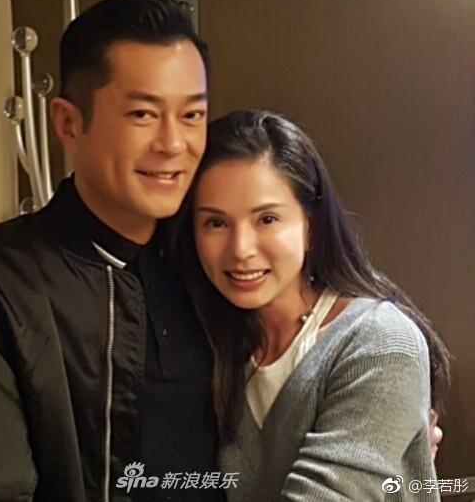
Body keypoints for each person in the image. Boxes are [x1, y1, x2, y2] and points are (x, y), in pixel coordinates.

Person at [0, 0, 224, 501]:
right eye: (142, 114)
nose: (173, 144)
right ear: (68, 123)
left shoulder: (212, 264)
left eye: (192, 115)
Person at [172, 109, 451, 501]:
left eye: (267, 219)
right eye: (216, 223)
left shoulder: (379, 343)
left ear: (311, 226)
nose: (240, 249)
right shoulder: (213, 348)